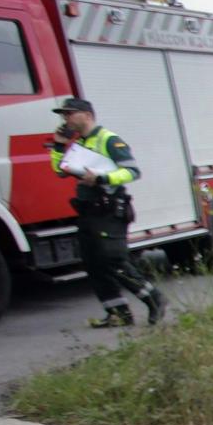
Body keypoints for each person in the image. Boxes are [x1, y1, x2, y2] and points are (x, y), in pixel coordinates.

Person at [48, 97, 165, 328]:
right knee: (93, 263)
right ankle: (117, 312)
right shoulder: (79, 143)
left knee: (115, 260)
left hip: (110, 209)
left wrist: (103, 178)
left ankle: (154, 299)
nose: (66, 119)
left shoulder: (109, 140)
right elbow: (59, 171)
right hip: (88, 211)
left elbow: (132, 171)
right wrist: (59, 146)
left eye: (70, 114)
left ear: (87, 115)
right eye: (63, 115)